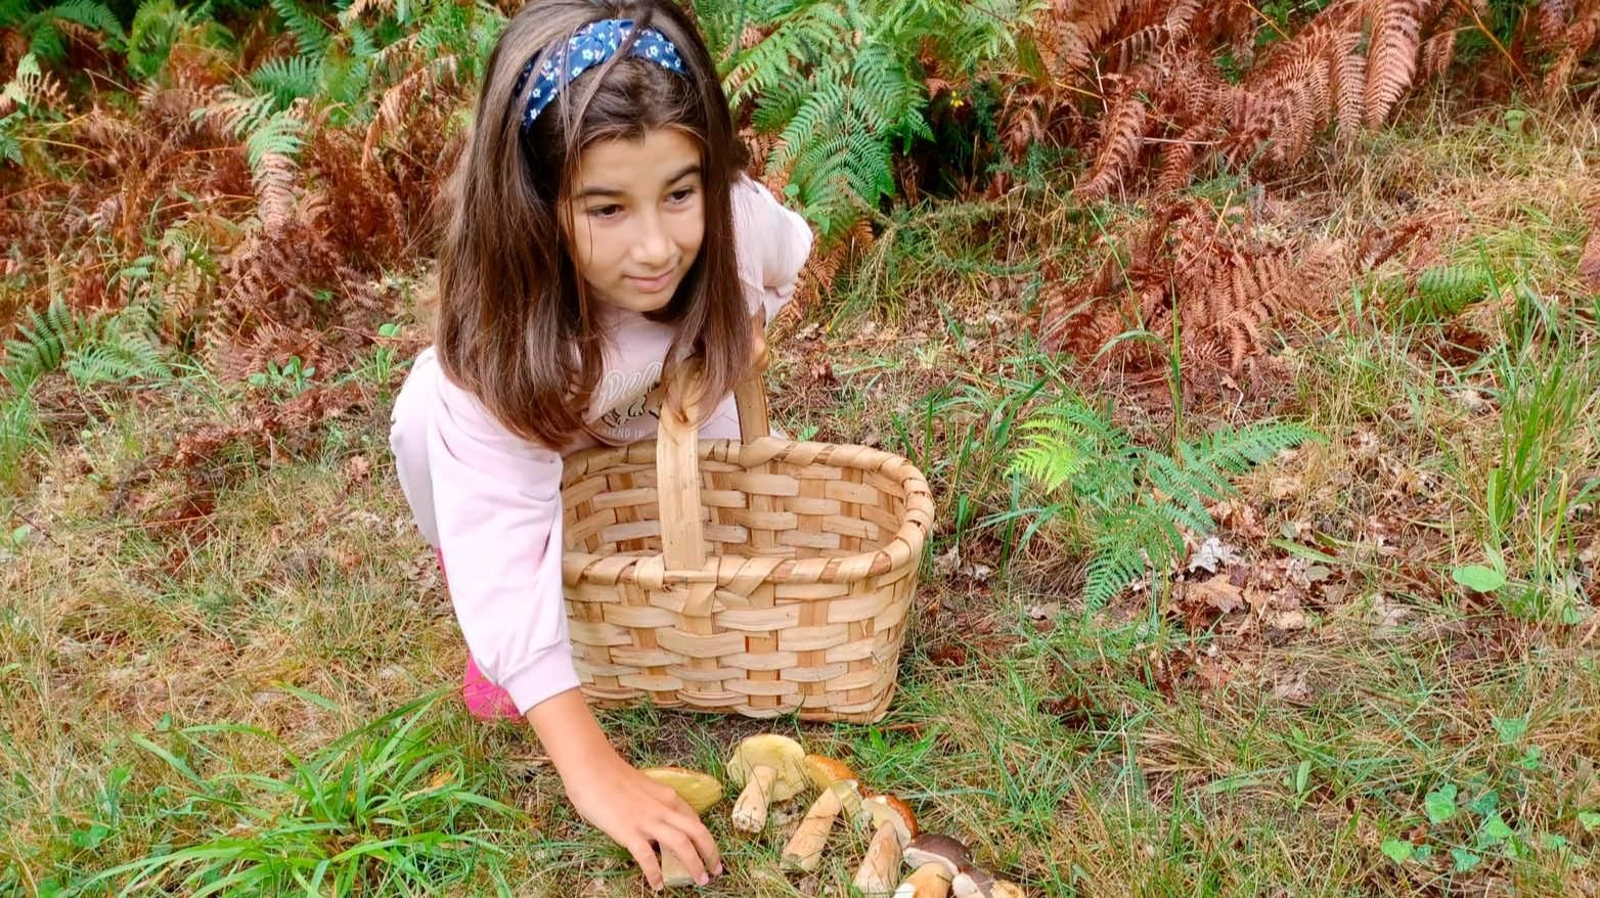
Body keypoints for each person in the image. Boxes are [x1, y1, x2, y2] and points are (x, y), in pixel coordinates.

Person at [387, 0, 813, 890]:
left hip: (673, 444)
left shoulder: (736, 217)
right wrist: (594, 770)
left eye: (679, 193)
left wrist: (740, 334)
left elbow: (780, 267)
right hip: (537, 454)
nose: (656, 246)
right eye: (606, 207)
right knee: (425, 418)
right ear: (536, 203)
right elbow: (502, 521)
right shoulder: (503, 345)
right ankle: (508, 642)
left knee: (701, 563)